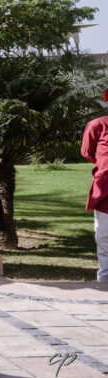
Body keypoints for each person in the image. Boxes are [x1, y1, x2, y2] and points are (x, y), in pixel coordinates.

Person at [81, 88, 108, 283]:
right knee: (104, 237)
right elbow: (87, 152)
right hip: (105, 190)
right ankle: (105, 280)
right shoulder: (97, 125)